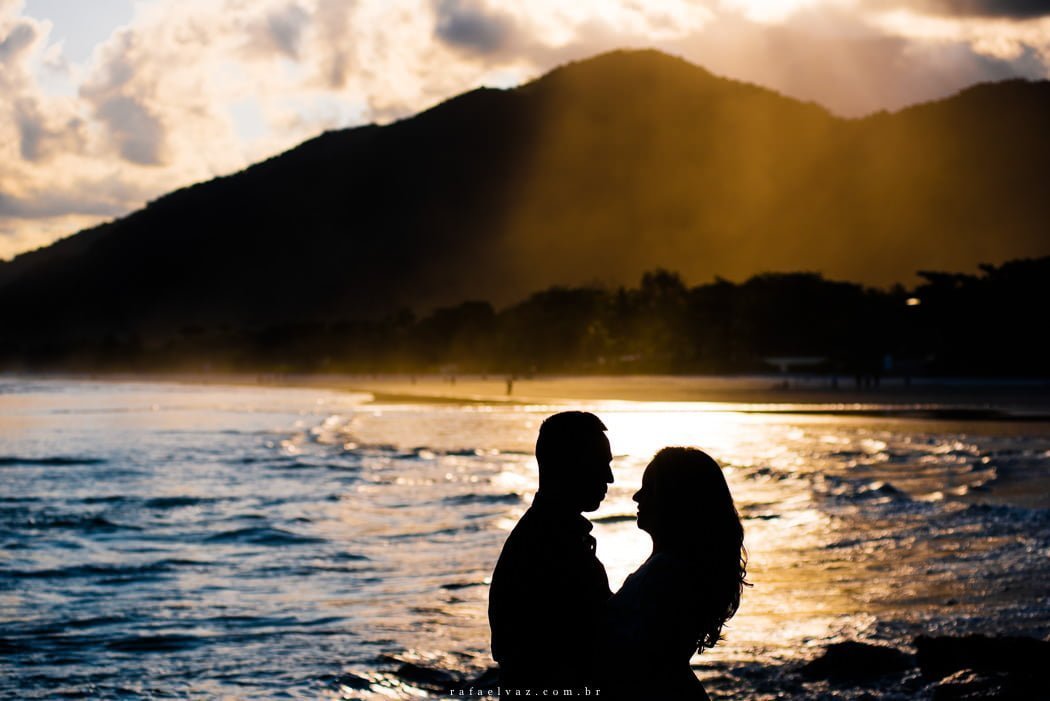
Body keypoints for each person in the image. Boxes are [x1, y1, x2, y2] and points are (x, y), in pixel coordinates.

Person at [600, 447, 748, 699]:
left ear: (672, 499)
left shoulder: (667, 574)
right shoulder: (679, 569)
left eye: (647, 488)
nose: (637, 496)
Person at [488, 411, 614, 696]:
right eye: (600, 465)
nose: (610, 477)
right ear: (568, 466)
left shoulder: (546, 535)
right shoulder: (549, 547)